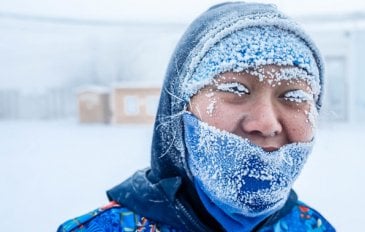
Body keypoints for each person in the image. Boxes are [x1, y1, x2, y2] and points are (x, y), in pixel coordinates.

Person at [58, 2, 335, 231]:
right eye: (235, 89)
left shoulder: (313, 227)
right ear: (180, 109)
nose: (266, 124)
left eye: (294, 96)